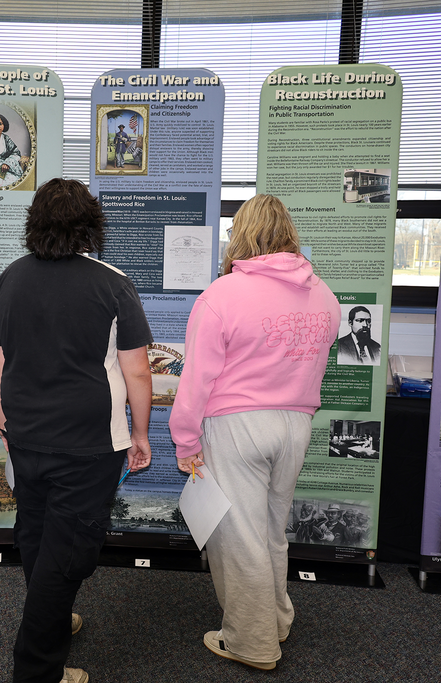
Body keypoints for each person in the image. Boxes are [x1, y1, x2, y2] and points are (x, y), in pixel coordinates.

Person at [0, 178, 153, 683]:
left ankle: (51, 616)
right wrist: (140, 435)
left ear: (34, 222)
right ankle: (37, 672)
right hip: (89, 443)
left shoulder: (8, 279)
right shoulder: (112, 283)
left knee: (36, 536)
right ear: (90, 227)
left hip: (27, 435)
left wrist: (7, 425)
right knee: (67, 551)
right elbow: (138, 372)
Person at [169, 194, 338, 671]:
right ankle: (277, 617)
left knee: (238, 537)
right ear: (288, 232)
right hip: (296, 424)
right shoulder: (323, 294)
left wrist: (186, 440)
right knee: (270, 530)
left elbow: (196, 378)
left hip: (238, 426)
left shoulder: (221, 295)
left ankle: (252, 642)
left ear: (240, 234)